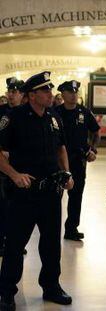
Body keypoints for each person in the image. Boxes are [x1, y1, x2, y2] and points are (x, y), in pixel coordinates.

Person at [0, 71, 74, 311]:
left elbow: (61, 147)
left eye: (50, 90)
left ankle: (51, 286)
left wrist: (67, 172)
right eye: (45, 90)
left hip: (51, 192)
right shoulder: (14, 118)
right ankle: (7, 292)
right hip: (24, 194)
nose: (50, 94)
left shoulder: (53, 117)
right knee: (14, 245)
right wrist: (14, 174)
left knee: (52, 243)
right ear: (32, 95)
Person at [55, 81, 100, 242]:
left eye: (75, 92)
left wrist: (93, 150)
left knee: (76, 196)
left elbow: (96, 132)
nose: (74, 95)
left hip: (78, 160)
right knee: (55, 196)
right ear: (63, 95)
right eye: (70, 92)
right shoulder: (55, 112)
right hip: (58, 162)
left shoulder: (84, 112)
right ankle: (52, 228)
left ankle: (71, 228)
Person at [0, 77, 25, 257]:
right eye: (9, 91)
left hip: (20, 167)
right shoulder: (1, 111)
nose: (10, 95)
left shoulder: (27, 113)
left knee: (18, 209)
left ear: (22, 94)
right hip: (2, 167)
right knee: (2, 206)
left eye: (14, 92)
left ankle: (15, 242)